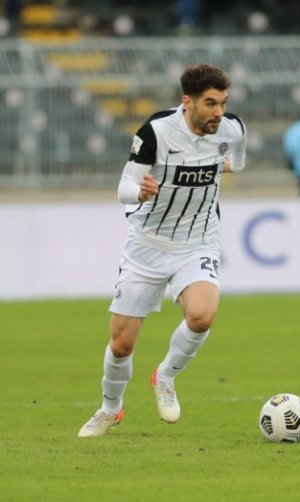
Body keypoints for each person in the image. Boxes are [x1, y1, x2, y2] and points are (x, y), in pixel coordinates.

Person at [78, 64, 248, 437]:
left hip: (198, 242)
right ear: (188, 102)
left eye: (223, 102)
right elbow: (124, 186)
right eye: (211, 103)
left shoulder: (232, 129)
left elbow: (236, 162)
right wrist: (139, 192)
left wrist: (218, 167)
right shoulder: (156, 131)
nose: (219, 112)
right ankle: (110, 409)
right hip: (147, 245)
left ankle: (166, 376)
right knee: (122, 344)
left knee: (202, 315)